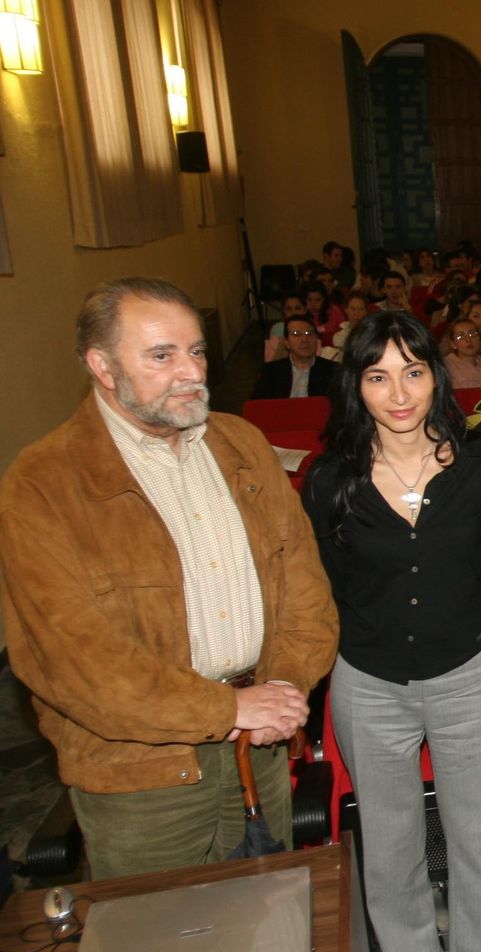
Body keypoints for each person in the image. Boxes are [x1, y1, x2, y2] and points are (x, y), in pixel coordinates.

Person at [0, 278, 337, 880]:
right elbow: (72, 659)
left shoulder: (241, 445)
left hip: (255, 746)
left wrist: (284, 687)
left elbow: (303, 585)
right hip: (141, 772)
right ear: (101, 366)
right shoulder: (43, 483)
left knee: (269, 927)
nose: (191, 372)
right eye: (162, 355)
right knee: (160, 948)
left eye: (198, 351)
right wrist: (224, 706)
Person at [301, 311, 481, 952]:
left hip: (464, 676)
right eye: (379, 374)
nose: (400, 393)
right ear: (355, 385)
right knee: (391, 854)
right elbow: (326, 590)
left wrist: (468, 633)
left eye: (414, 371)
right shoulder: (332, 478)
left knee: (475, 842)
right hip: (370, 684)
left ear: (438, 377)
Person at [255, 313, 338, 399]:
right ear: (286, 342)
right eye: (296, 334)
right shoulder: (270, 371)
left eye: (308, 333)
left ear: (316, 339)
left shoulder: (333, 370)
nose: (304, 339)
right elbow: (257, 406)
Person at [442, 317, 481, 389]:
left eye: (472, 334)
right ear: (453, 344)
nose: (468, 340)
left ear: (479, 338)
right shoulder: (446, 365)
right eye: (461, 336)